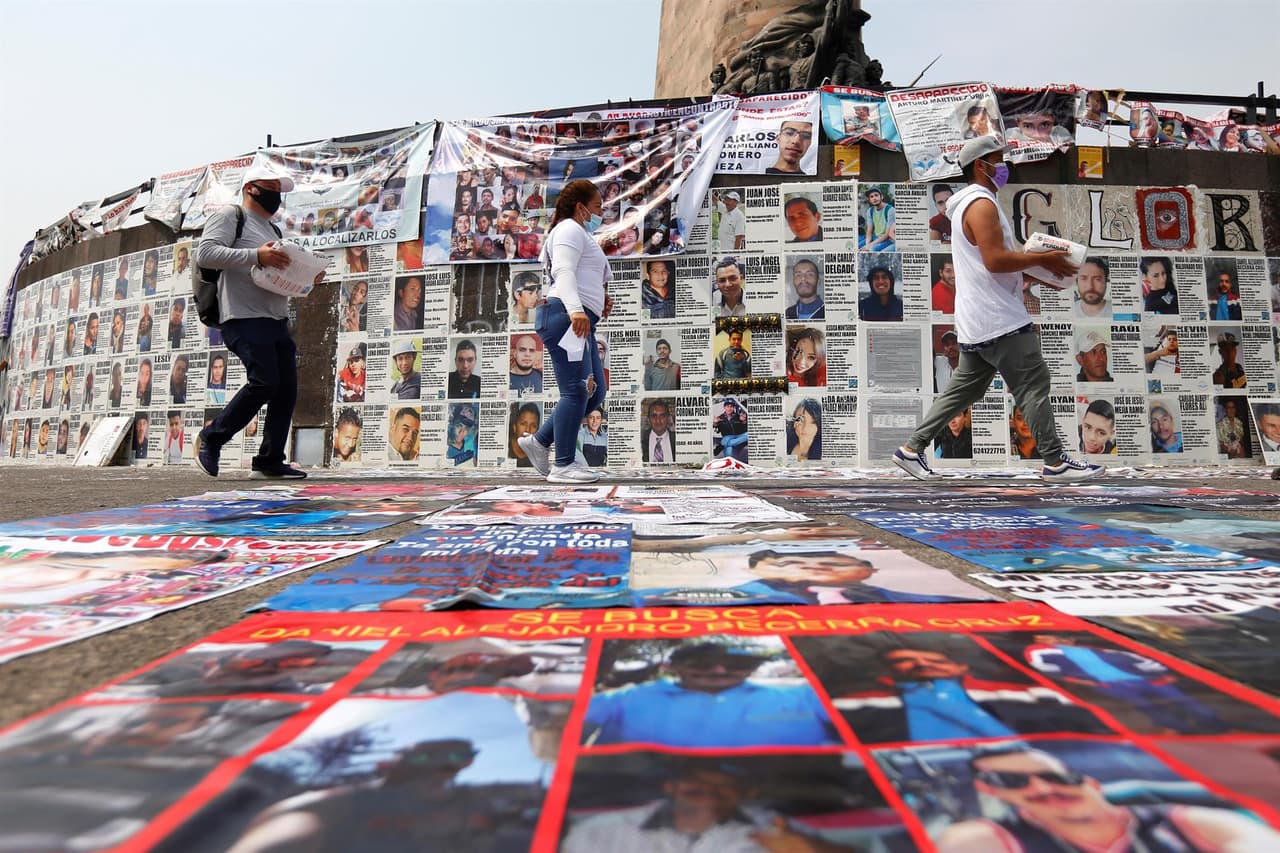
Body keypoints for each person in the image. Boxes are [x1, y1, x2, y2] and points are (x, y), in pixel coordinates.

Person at [893, 135, 1104, 483]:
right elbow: (994, 260)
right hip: (1000, 319)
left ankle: (911, 450)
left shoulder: (966, 204)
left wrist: (1037, 270)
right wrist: (1043, 257)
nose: (1005, 167)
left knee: (966, 389)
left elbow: (992, 261)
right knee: (1033, 385)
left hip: (978, 320)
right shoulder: (981, 204)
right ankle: (1055, 462)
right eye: (998, 159)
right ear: (980, 165)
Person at [194, 164, 317, 480]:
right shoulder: (229, 216)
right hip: (242, 315)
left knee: (285, 389)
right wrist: (255, 256)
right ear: (251, 188)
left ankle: (270, 459)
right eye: (271, 187)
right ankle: (212, 437)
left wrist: (306, 273)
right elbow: (205, 254)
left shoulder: (273, 231)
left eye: (279, 189)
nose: (277, 194)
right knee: (264, 381)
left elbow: (273, 272)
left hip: (275, 317)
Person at [937, 744, 1280, 853]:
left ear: (1090, 782)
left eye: (1056, 777)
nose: (1042, 789)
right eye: (1011, 780)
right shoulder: (982, 839)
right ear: (991, 790)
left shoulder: (1188, 822)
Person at [223, 739, 525, 853]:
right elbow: (292, 829)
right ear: (392, 765)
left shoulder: (466, 806)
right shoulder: (338, 803)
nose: (440, 768)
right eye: (424, 759)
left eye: (457, 758)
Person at [516, 179, 611, 484]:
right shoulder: (570, 228)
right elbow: (564, 272)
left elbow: (585, 273)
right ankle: (563, 465)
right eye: (597, 206)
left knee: (594, 394)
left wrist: (600, 298)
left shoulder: (582, 234)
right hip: (566, 317)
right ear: (581, 208)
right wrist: (576, 310)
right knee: (576, 391)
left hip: (579, 319)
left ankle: (540, 441)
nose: (601, 212)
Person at [582, 642, 838, 747]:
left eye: (736, 663)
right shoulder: (622, 700)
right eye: (702, 663)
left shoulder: (805, 696)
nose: (719, 670)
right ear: (671, 667)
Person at [561, 762, 853, 853]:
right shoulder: (600, 832)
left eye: (726, 784)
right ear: (671, 786)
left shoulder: (774, 828)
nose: (709, 792)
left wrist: (811, 850)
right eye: (695, 781)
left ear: (747, 792)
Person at [640, 398, 676, 463]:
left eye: (662, 416)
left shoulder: (678, 439)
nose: (658, 421)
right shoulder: (639, 440)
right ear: (648, 420)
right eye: (654, 416)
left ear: (668, 418)